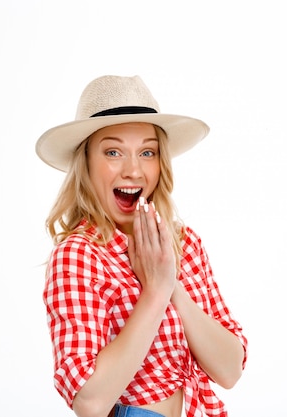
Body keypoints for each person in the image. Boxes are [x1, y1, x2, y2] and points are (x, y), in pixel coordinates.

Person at [37, 75, 247, 417]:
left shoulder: (184, 243)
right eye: (113, 152)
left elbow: (230, 368)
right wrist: (154, 292)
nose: (133, 170)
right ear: (86, 162)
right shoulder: (79, 255)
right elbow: (90, 401)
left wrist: (169, 283)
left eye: (147, 152)